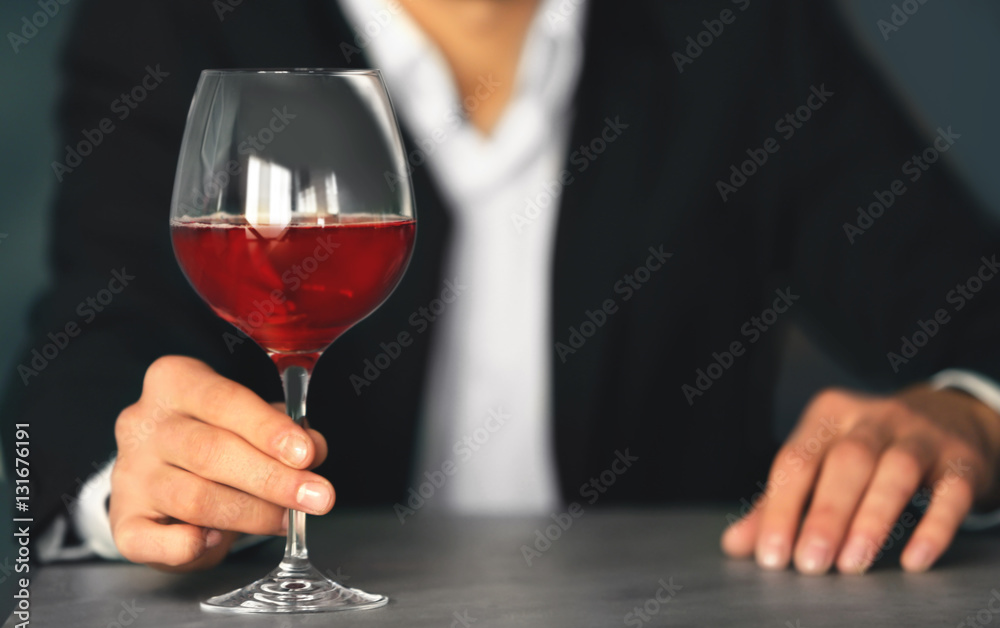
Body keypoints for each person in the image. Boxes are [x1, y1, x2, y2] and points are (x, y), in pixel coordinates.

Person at [5, 0, 1000, 577]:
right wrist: (128, 477)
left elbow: (974, 303)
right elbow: (93, 339)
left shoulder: (739, 31)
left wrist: (968, 418)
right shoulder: (182, 23)